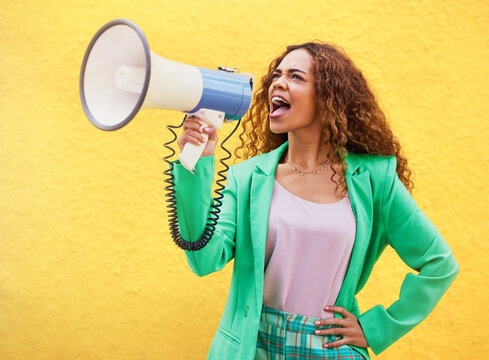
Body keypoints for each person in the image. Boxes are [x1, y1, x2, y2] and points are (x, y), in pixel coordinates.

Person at [172, 42, 460, 360]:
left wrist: (376, 328)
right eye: (276, 76)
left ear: (328, 97)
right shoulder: (248, 178)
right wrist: (195, 166)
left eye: (296, 76)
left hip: (330, 350)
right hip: (253, 348)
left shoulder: (375, 179)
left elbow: (439, 263)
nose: (278, 83)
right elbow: (203, 259)